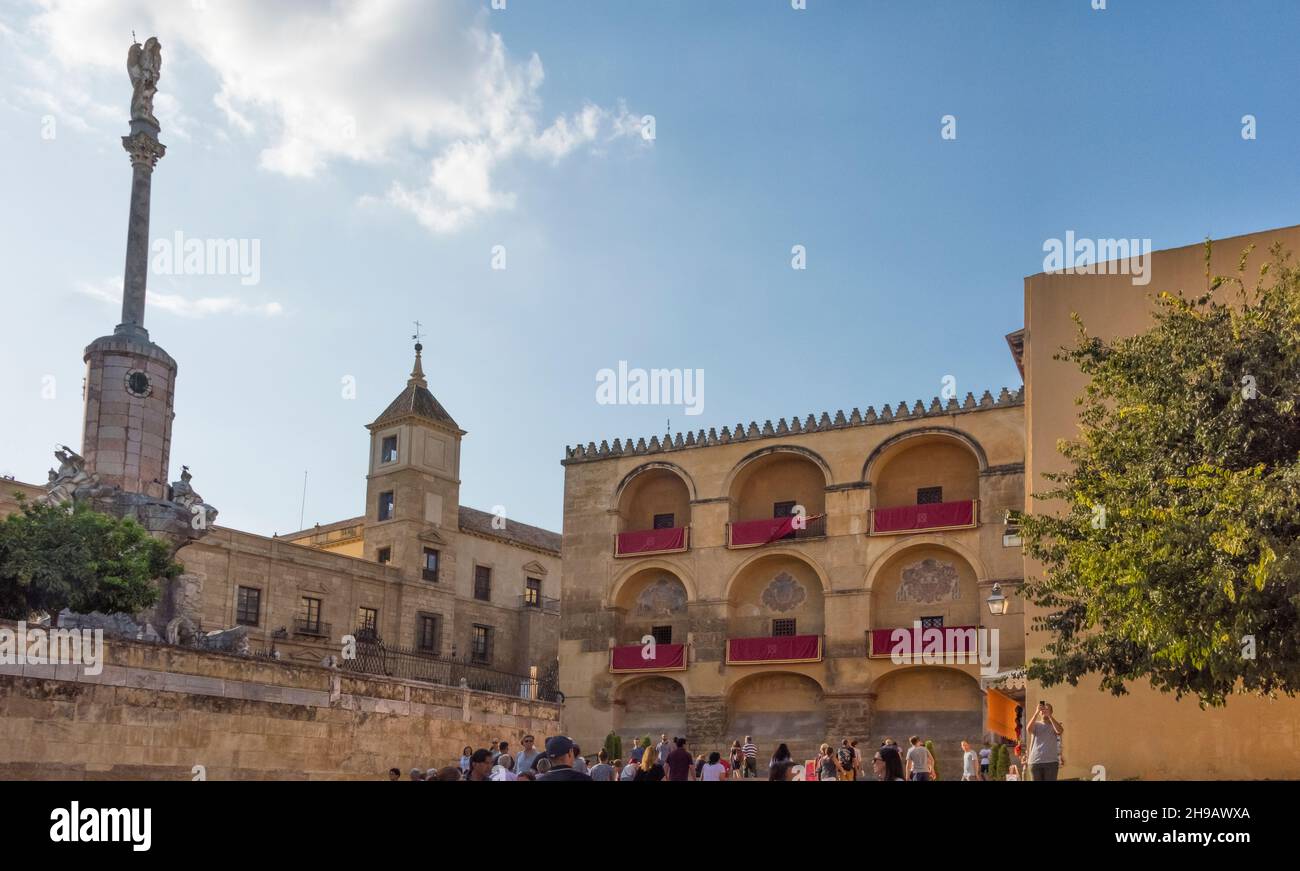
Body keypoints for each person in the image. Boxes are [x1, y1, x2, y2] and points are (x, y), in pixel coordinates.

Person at [1025, 701, 1064, 781]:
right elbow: (1028, 729)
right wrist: (1036, 712)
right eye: (1042, 709)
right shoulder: (1035, 724)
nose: (1044, 711)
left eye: (1047, 709)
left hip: (1051, 762)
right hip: (1035, 762)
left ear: (1051, 712)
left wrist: (1049, 716)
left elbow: (1059, 731)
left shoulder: (1054, 724)